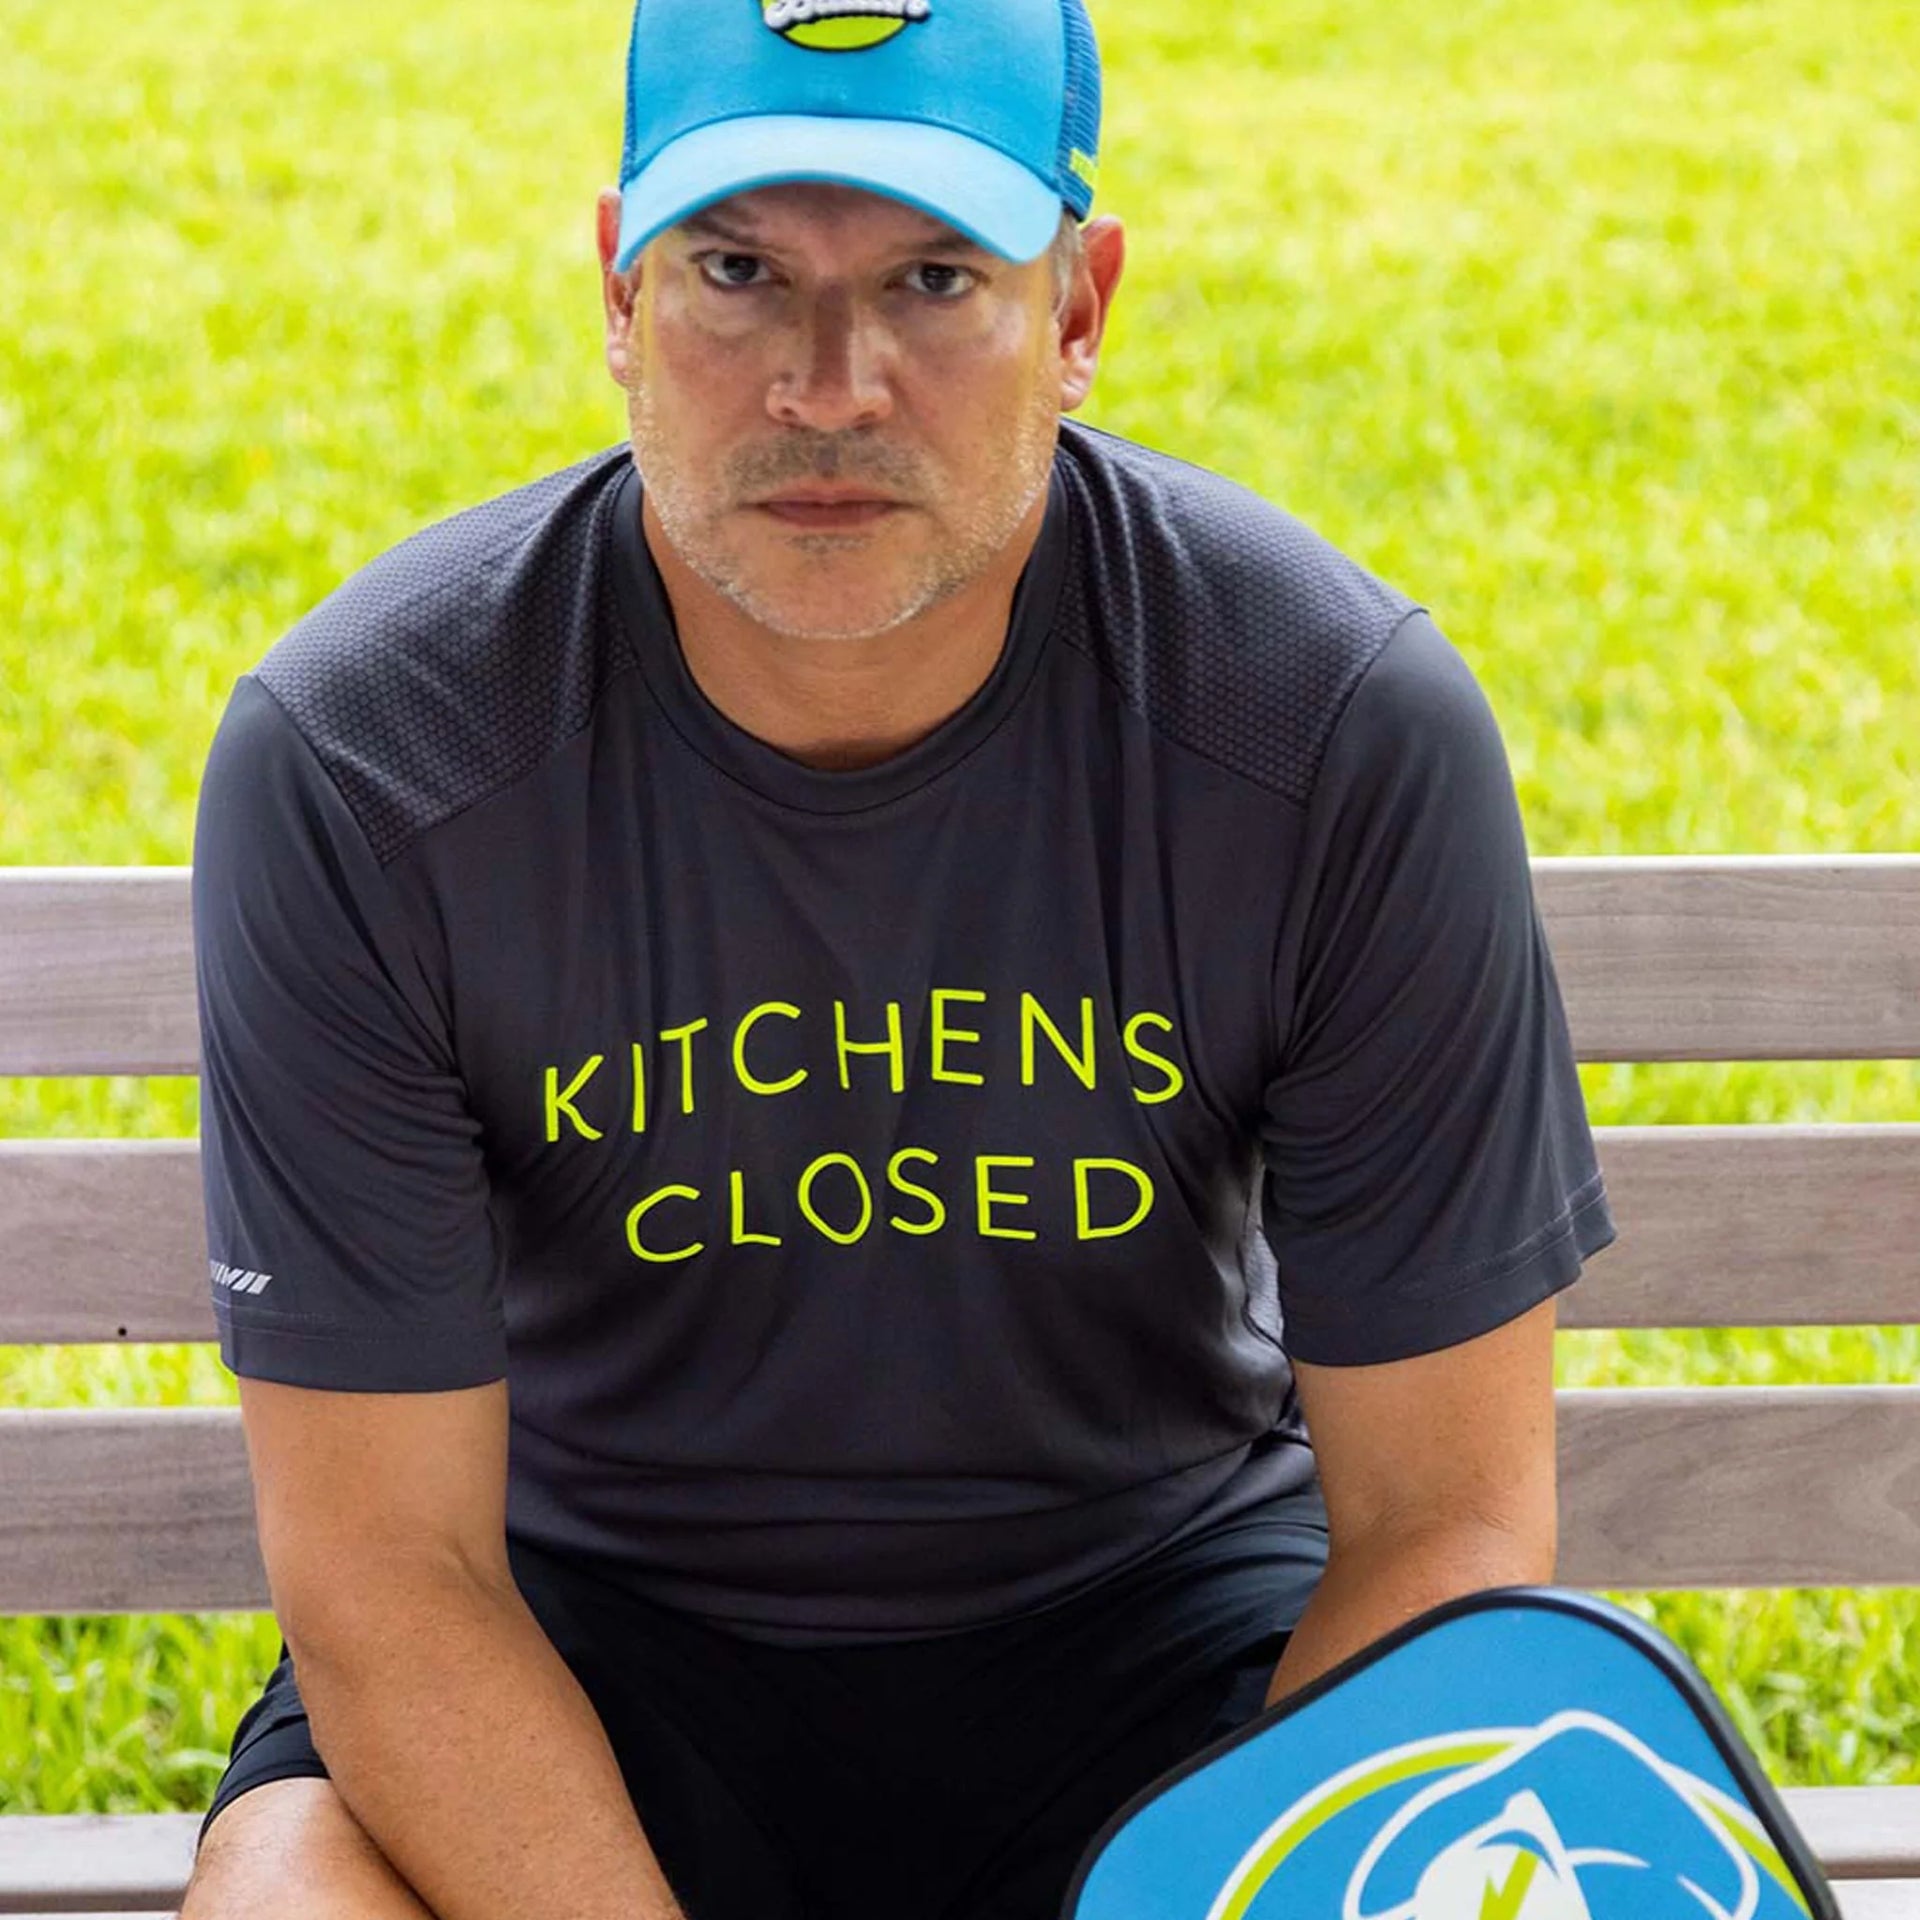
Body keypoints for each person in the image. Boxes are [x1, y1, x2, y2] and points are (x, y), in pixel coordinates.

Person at [179, 0, 1616, 1913]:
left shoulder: (1326, 727)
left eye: (936, 280)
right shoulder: (372, 760)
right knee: (286, 1893)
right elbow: (389, 1580)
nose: (828, 387)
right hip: (568, 1643)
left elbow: (1447, 1526)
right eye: (738, 273)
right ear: (618, 295)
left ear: (1078, 309)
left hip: (1167, 1634)